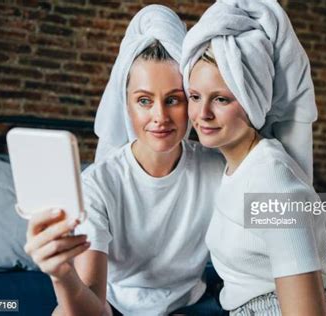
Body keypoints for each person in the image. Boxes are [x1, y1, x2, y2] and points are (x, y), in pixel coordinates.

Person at [23, 5, 224, 316]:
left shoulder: (217, 167)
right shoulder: (98, 184)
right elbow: (92, 300)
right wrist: (61, 273)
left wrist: (317, 211)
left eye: (174, 99)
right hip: (114, 308)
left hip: (194, 306)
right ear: (126, 105)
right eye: (144, 100)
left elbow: (289, 214)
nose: (159, 117)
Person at [181, 0, 326, 315]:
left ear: (253, 101)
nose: (202, 114)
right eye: (195, 97)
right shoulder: (236, 167)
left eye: (221, 99)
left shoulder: (272, 179)